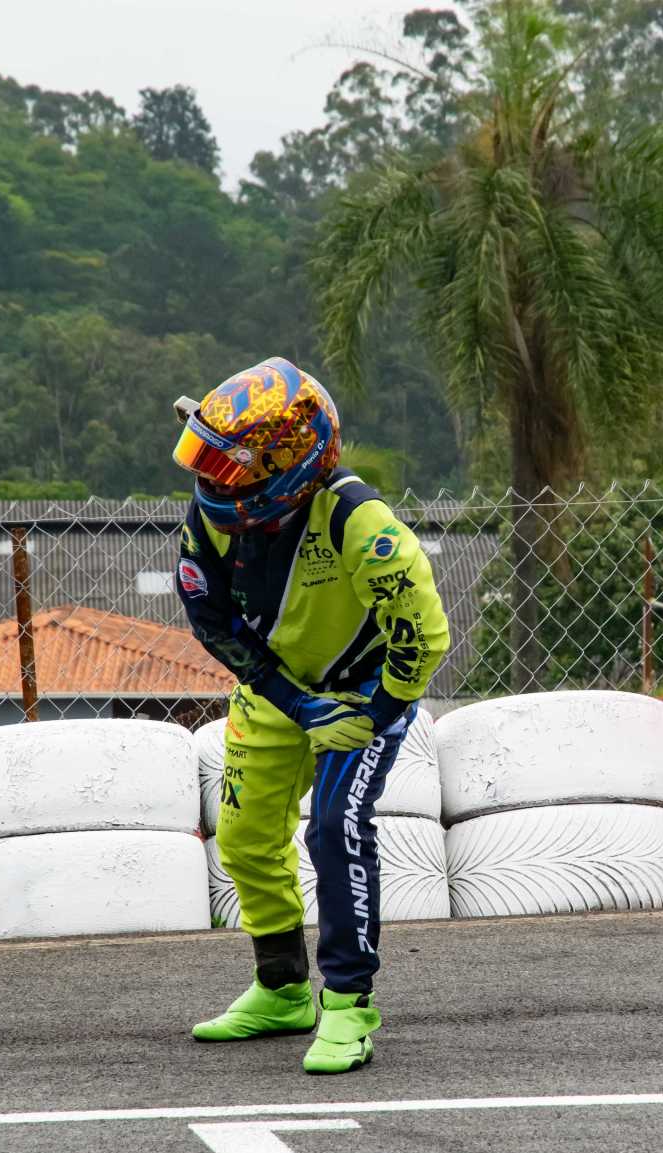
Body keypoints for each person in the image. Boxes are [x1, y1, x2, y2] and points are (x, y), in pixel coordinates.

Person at [172, 356, 449, 1074]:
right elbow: (210, 619)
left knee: (335, 826)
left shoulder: (359, 519)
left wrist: (378, 712)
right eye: (205, 464)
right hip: (274, 691)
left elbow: (423, 634)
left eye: (227, 469)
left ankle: (349, 1004)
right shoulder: (210, 522)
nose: (211, 483)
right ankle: (282, 989)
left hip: (362, 694)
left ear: (289, 465)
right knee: (243, 838)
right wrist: (295, 702)